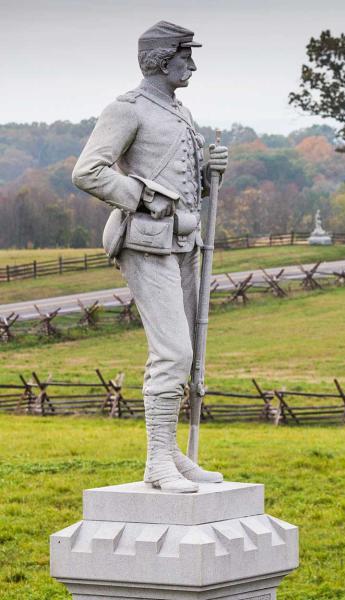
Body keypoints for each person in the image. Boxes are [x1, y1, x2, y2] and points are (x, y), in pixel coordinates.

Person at [73, 21, 229, 493]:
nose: (193, 65)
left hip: (182, 243)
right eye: (185, 56)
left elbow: (185, 187)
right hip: (144, 242)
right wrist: (139, 196)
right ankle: (157, 461)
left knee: (185, 355)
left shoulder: (180, 112)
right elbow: (87, 171)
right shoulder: (127, 109)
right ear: (161, 59)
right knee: (174, 352)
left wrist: (207, 173)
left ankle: (171, 454)